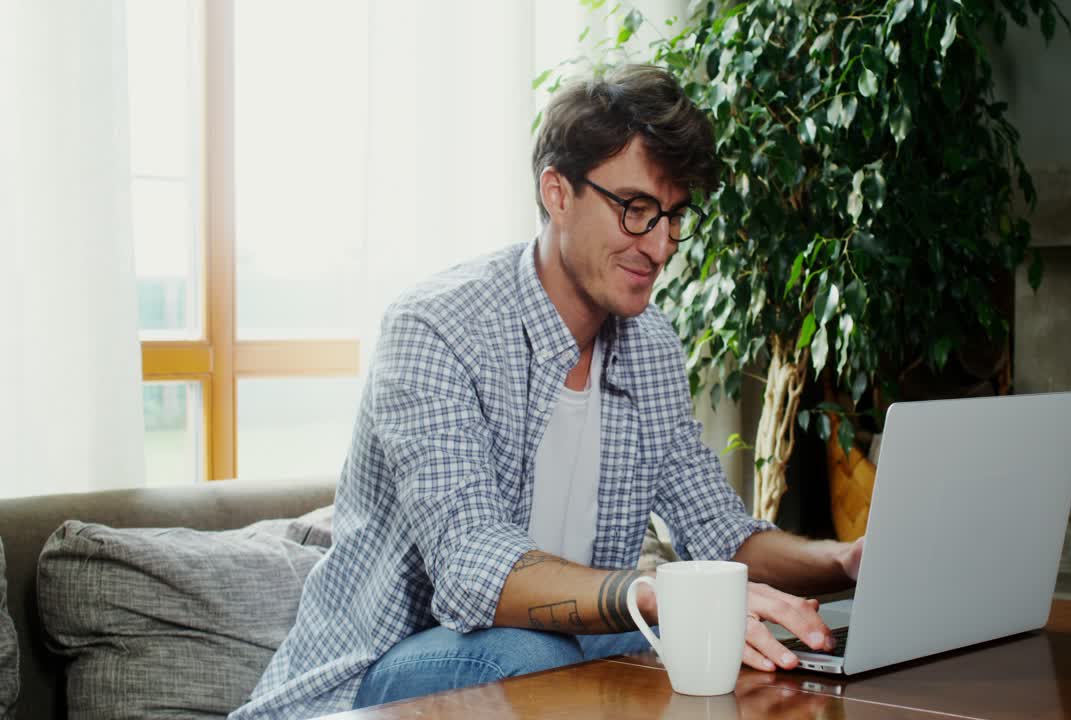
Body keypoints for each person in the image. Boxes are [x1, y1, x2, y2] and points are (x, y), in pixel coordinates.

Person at [230, 64, 863, 719]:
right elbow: (472, 567)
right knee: (539, 653)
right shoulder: (437, 327)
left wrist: (845, 561)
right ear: (557, 193)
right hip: (367, 677)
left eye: (674, 217)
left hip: (561, 656)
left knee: (665, 650)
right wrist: (650, 595)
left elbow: (722, 537)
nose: (661, 246)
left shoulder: (649, 346)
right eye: (637, 210)